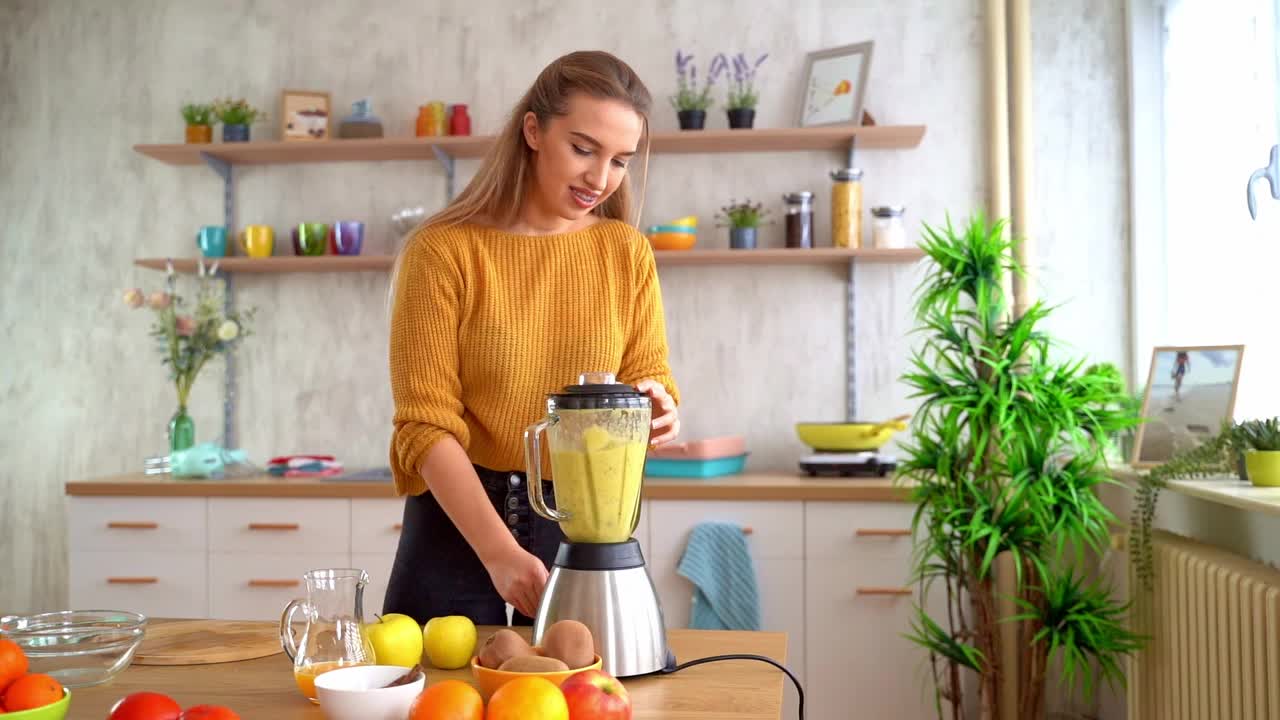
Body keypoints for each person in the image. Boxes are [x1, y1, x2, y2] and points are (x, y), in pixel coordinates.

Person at [382, 50, 681, 627]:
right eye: (584, 148)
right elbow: (424, 424)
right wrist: (498, 553)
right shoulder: (443, 252)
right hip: (455, 529)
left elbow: (650, 376)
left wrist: (660, 409)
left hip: (581, 528)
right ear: (533, 130)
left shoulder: (625, 253)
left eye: (620, 160)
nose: (600, 179)